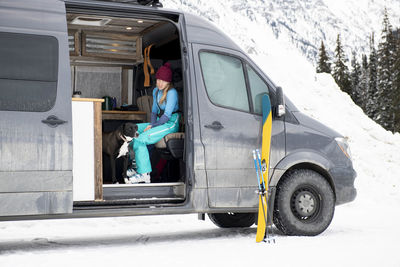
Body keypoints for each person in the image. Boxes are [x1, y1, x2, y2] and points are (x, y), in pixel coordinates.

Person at [126, 62, 180, 184]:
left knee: (141, 138)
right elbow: (154, 112)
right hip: (159, 121)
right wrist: (152, 123)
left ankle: (144, 174)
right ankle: (136, 167)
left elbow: (166, 116)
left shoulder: (172, 93)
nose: (160, 83)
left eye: (163, 81)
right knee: (133, 130)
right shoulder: (156, 91)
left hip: (170, 122)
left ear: (168, 82)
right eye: (158, 80)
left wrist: (152, 126)